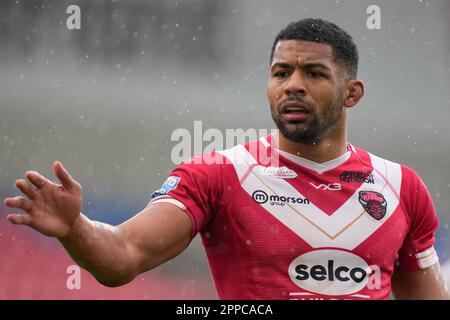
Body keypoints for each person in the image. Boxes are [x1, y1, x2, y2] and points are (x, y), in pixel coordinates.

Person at [4, 18, 449, 300]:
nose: (293, 85)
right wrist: (75, 229)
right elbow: (123, 255)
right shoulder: (217, 175)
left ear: (352, 93)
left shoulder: (401, 188)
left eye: (314, 73)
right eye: (280, 73)